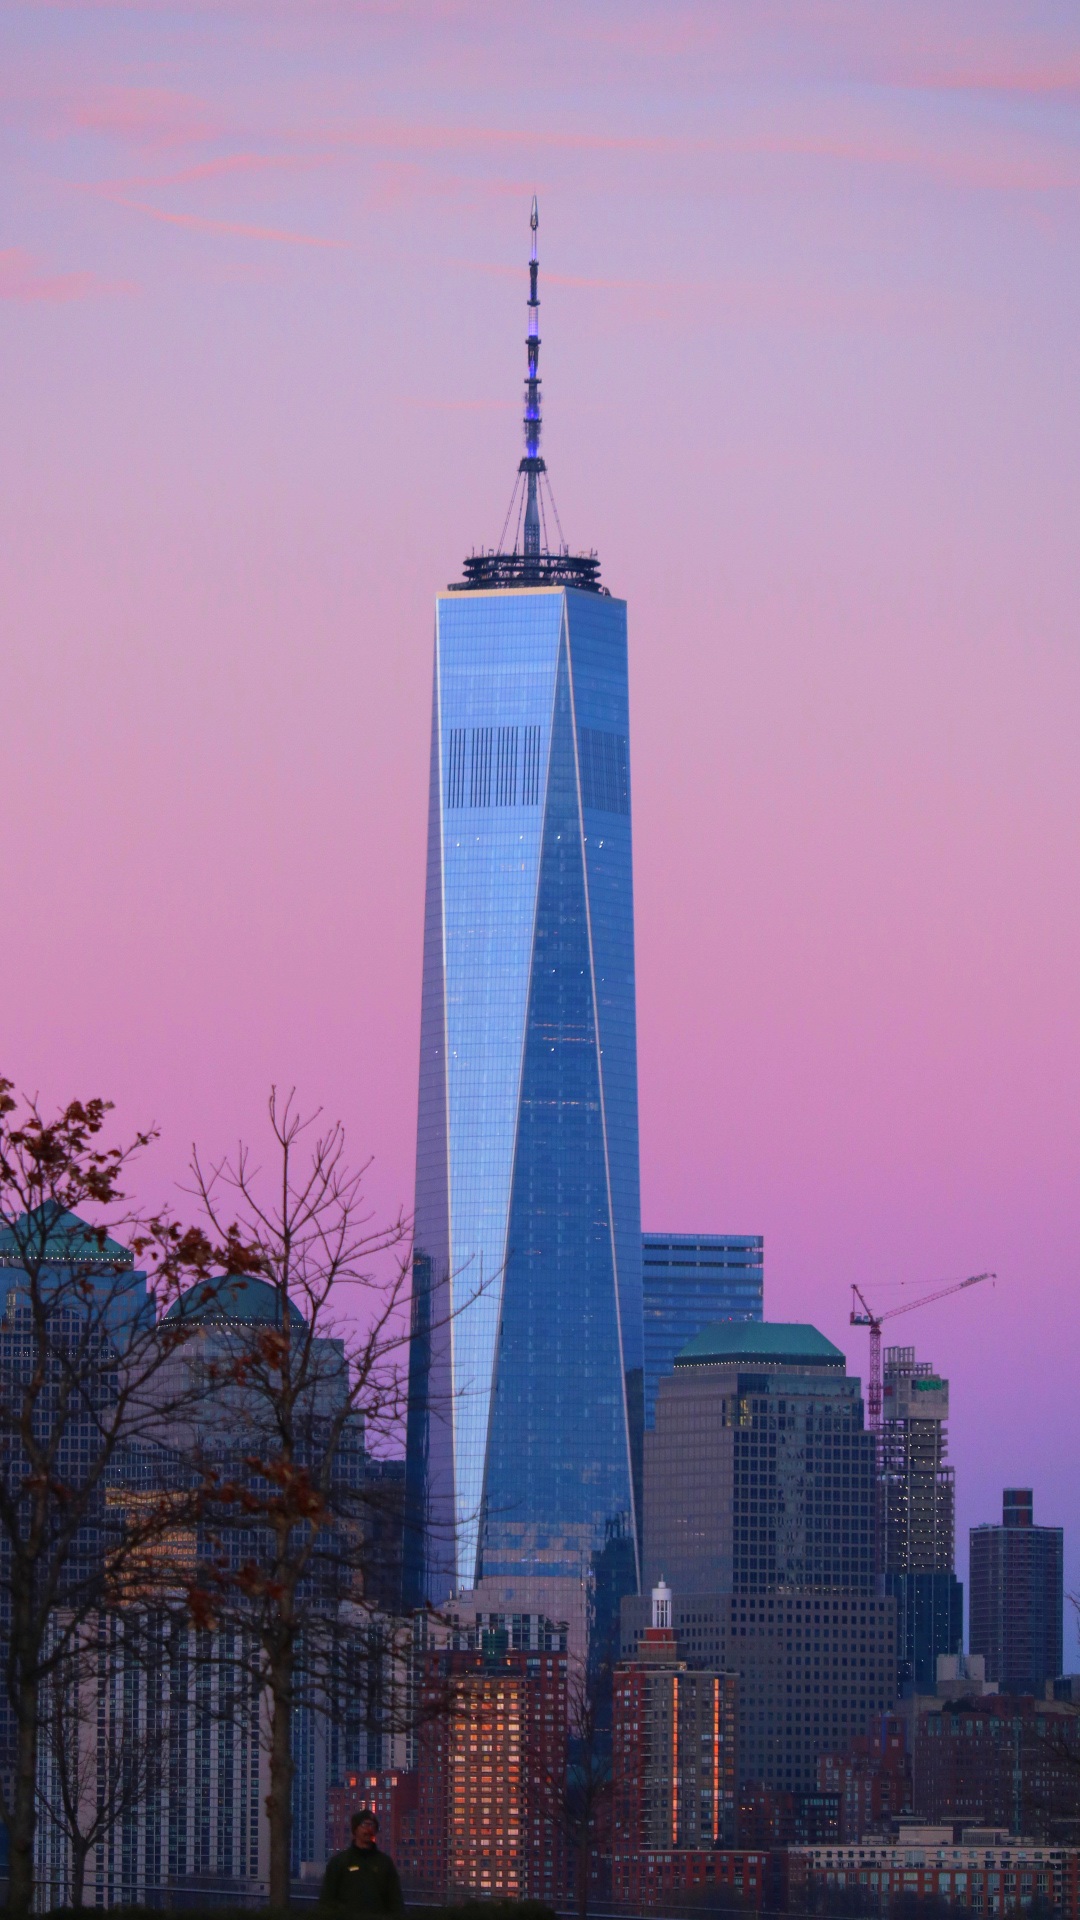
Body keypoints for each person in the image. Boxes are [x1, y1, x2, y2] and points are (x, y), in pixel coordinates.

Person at [321, 1809, 404, 1916]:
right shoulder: (340, 1862)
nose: (369, 1829)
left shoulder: (384, 1863)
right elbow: (327, 1899)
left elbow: (395, 1901)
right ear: (355, 1829)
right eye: (365, 1825)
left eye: (373, 1825)